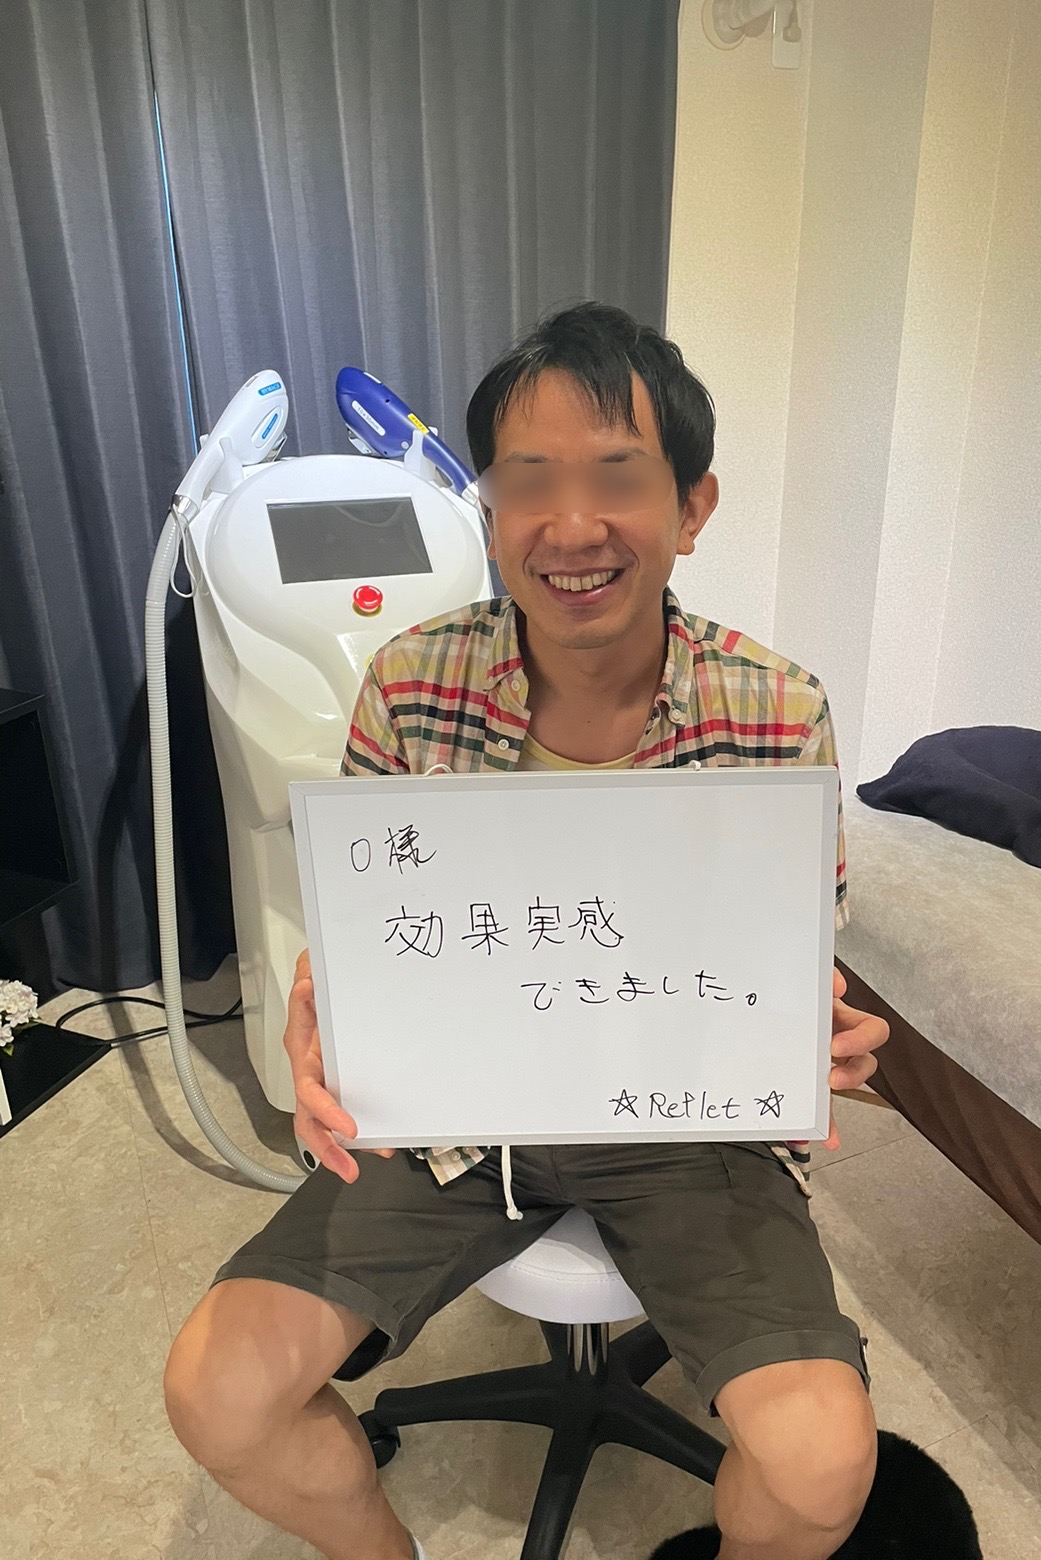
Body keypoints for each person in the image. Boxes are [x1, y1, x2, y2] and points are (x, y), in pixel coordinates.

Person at [164, 302, 891, 1560]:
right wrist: (318, 1009)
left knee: (822, 1465)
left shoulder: (776, 706)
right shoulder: (412, 683)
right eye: (528, 481)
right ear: (489, 509)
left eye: (617, 477)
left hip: (685, 1125)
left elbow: (789, 956)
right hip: (453, 1112)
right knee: (217, 1392)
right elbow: (369, 933)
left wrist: (809, 1030)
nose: (570, 524)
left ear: (693, 507)